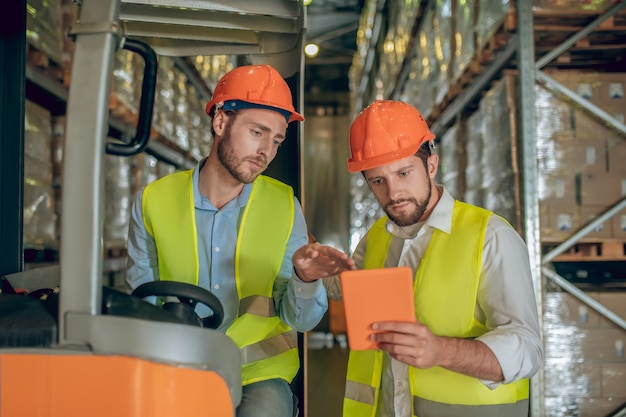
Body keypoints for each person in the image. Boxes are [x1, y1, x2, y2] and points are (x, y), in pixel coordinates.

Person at [125, 64, 354, 417]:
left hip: (260, 373)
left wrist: (306, 279)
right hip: (178, 361)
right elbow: (141, 298)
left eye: (276, 140)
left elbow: (301, 320)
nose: (266, 151)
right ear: (220, 122)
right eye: (257, 132)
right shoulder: (153, 200)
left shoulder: (284, 206)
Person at [294, 100, 543, 416]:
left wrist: (441, 351)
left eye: (403, 172)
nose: (393, 193)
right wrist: (307, 254)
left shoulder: (490, 236)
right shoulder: (379, 236)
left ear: (432, 165)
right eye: (377, 180)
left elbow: (528, 350)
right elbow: (344, 285)